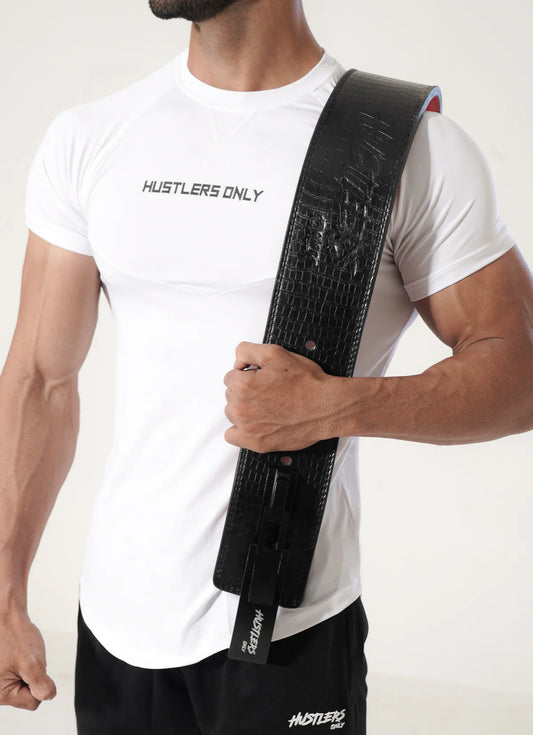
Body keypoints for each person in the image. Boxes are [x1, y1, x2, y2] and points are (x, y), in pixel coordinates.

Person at [0, 0, 532, 733]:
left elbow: (520, 370)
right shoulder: (92, 136)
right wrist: (5, 589)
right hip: (114, 623)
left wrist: (337, 405)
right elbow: (38, 379)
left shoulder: (405, 147)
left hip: (288, 627)